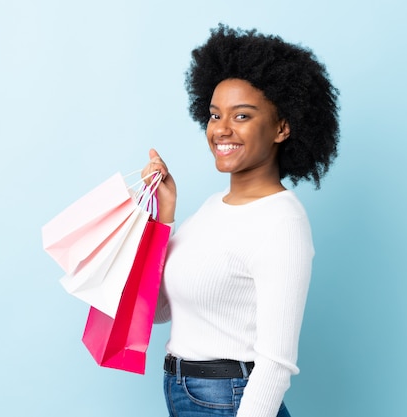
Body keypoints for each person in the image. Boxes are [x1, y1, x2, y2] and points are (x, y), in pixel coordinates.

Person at [142, 23, 339, 417]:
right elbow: (163, 310)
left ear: (282, 128)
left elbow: (276, 363)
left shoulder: (281, 223)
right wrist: (164, 218)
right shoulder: (212, 208)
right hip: (185, 391)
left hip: (230, 400)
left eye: (243, 115)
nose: (222, 130)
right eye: (215, 115)